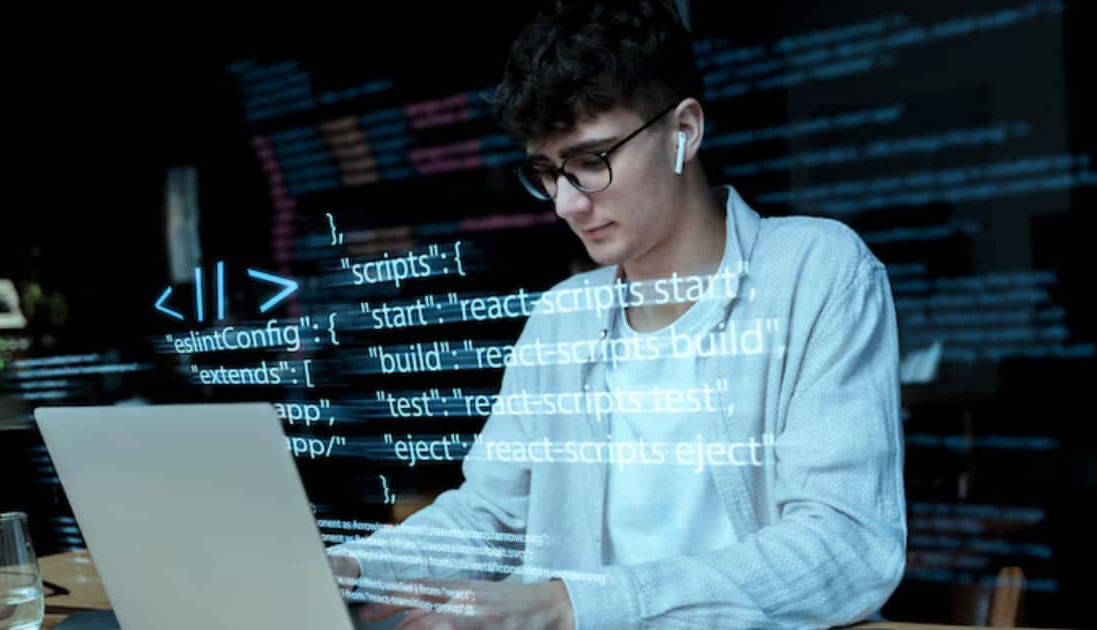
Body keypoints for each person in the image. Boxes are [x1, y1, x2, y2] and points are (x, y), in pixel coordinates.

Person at [330, 1, 906, 628]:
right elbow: (490, 517)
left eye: (592, 160)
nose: (567, 205)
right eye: (548, 173)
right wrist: (351, 570)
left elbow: (844, 547)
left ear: (684, 130)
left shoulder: (816, 271)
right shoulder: (563, 316)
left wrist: (568, 606)